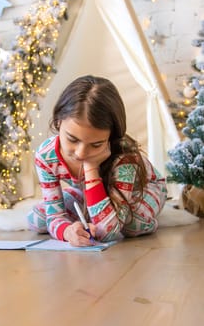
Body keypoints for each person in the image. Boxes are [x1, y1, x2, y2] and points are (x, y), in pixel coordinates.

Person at [27, 75, 167, 246]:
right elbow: (54, 216)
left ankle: (138, 219)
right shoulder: (46, 156)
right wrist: (68, 231)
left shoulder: (125, 157)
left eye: (96, 144)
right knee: (38, 219)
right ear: (58, 121)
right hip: (88, 192)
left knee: (132, 225)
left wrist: (91, 167)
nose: (81, 153)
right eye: (72, 139)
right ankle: (99, 211)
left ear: (111, 137)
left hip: (143, 188)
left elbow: (107, 233)